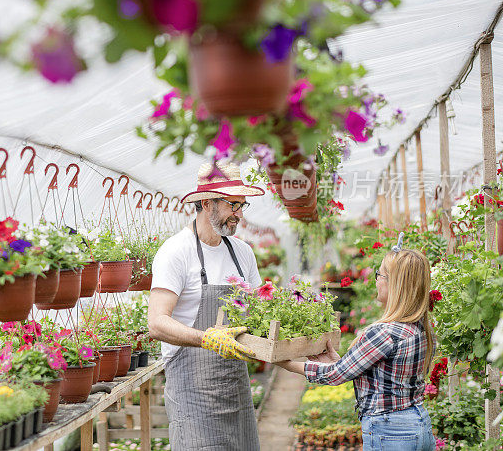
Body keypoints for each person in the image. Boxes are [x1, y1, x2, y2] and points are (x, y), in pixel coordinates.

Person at [275, 236, 436, 451]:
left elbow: (334, 375)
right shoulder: (420, 328)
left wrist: (284, 362)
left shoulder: (384, 333)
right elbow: (388, 378)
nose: (376, 280)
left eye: (380, 275)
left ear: (395, 284)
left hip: (390, 432)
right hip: (418, 424)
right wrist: (340, 362)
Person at [148, 161, 265, 450]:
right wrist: (206, 338)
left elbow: (261, 312)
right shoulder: (176, 252)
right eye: (232, 205)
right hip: (193, 391)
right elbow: (156, 322)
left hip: (236, 387)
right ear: (206, 203)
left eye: (242, 205)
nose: (238, 215)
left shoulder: (242, 253)